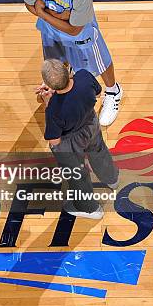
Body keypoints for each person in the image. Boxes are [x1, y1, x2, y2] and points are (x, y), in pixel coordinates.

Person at [24, 0, 123, 126]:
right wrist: (60, 16)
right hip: (50, 31)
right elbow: (29, 4)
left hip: (81, 35)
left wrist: (44, 13)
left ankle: (113, 91)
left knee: (100, 63)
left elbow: (74, 29)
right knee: (56, 62)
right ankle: (60, 83)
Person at [36, 59, 119, 219]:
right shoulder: (84, 77)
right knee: (99, 151)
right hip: (91, 125)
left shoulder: (53, 109)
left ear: (49, 85)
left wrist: (48, 102)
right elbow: (97, 93)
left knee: (77, 173)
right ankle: (112, 179)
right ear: (67, 72)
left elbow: (54, 140)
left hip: (71, 140)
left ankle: (89, 209)